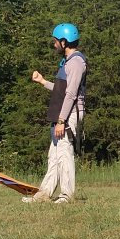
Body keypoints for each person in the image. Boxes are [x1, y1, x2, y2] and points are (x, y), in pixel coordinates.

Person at [25, 23, 87, 203]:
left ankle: (67, 195)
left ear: (64, 42)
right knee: (53, 156)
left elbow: (71, 94)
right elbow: (61, 91)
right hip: (62, 114)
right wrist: (42, 81)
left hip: (69, 114)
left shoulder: (76, 62)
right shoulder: (67, 61)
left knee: (64, 154)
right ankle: (44, 194)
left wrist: (61, 121)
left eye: (55, 41)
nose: (54, 45)